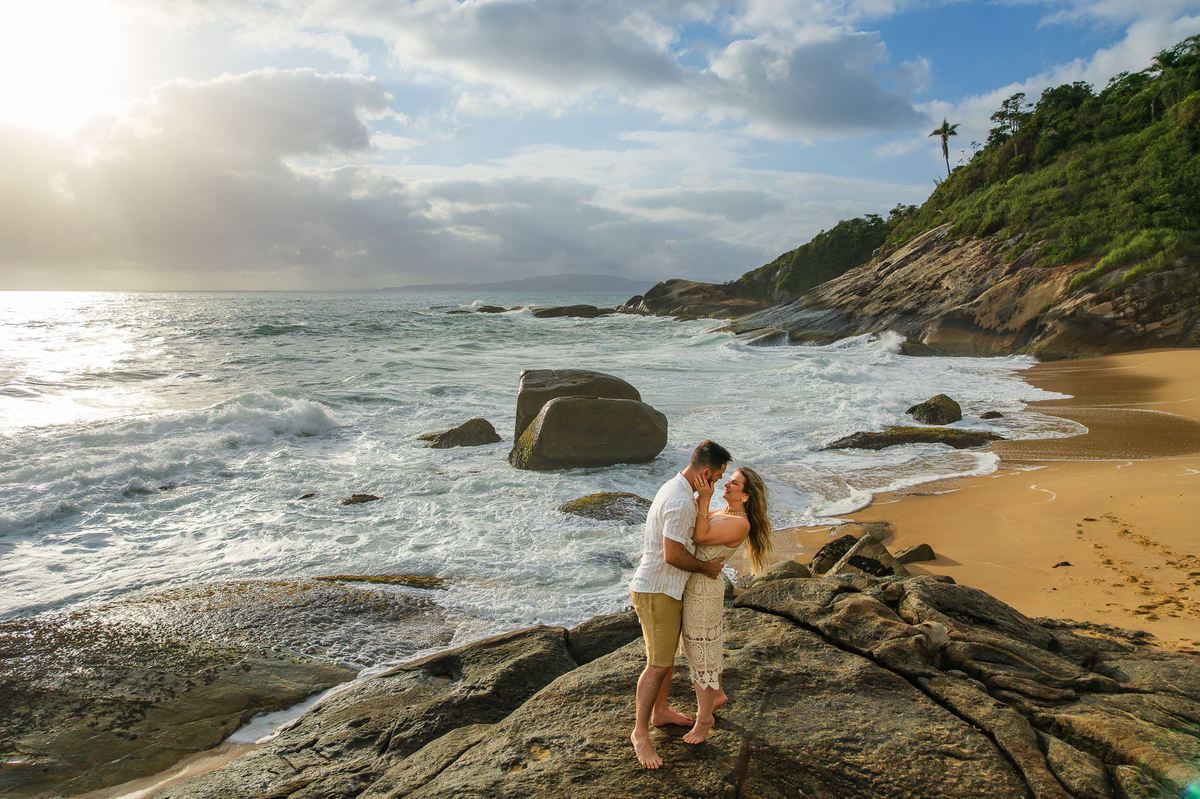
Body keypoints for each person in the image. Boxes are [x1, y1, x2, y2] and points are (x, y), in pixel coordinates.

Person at [628, 440, 732, 770]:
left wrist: (707, 501)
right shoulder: (680, 500)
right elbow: (673, 555)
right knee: (657, 665)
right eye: (716, 478)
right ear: (705, 472)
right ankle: (640, 734)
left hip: (664, 591)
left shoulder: (678, 489)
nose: (716, 484)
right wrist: (707, 568)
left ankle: (660, 712)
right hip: (657, 591)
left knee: (665, 659)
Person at [679, 466, 773, 744]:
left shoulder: (740, 523)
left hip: (704, 592)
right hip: (693, 586)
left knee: (701, 655)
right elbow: (695, 523)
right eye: (729, 481)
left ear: (745, 496)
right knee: (694, 648)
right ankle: (717, 694)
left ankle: (704, 718)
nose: (727, 485)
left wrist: (705, 500)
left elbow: (700, 537)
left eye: (734, 483)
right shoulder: (723, 514)